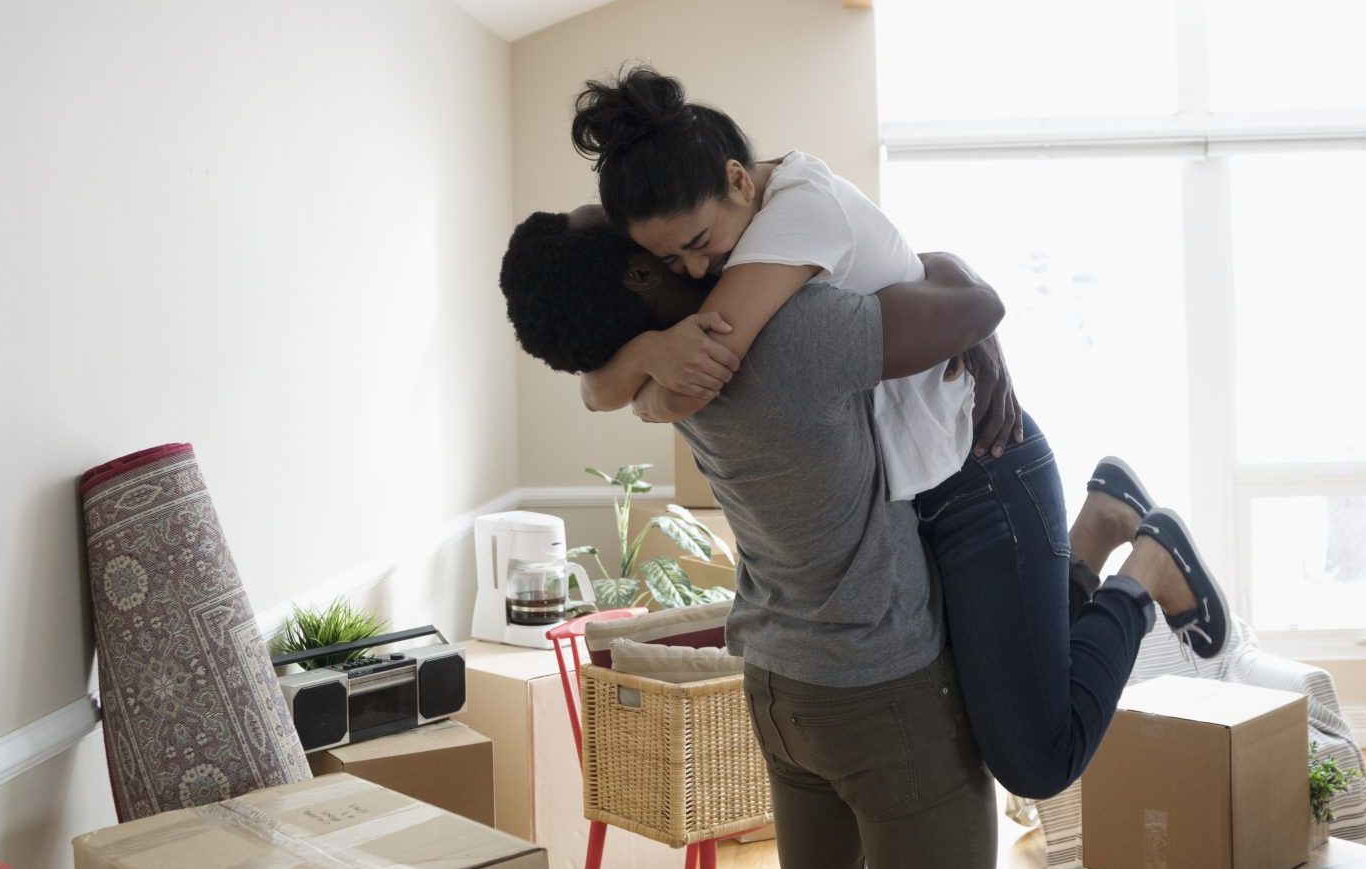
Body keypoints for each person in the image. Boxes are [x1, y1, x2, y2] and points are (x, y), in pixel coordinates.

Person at [561, 66, 1232, 796]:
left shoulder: (795, 216)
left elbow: (688, 384)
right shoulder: (759, 223)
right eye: (669, 262)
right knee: (1000, 709)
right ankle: (1099, 526)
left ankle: (1148, 569)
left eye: (698, 242)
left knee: (1037, 759)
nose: (695, 269)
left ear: (738, 181)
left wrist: (646, 364)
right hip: (923, 485)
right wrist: (643, 354)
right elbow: (611, 384)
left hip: (982, 476)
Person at [499, 207, 1234, 867]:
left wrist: (633, 360)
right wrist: (977, 331)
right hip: (866, 666)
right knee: (1037, 735)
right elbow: (972, 302)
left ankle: (1122, 547)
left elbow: (594, 381)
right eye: (616, 219)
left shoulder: (657, 381)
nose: (638, 216)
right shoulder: (782, 335)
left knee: (1034, 734)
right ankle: (1121, 549)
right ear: (639, 271)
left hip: (833, 627)